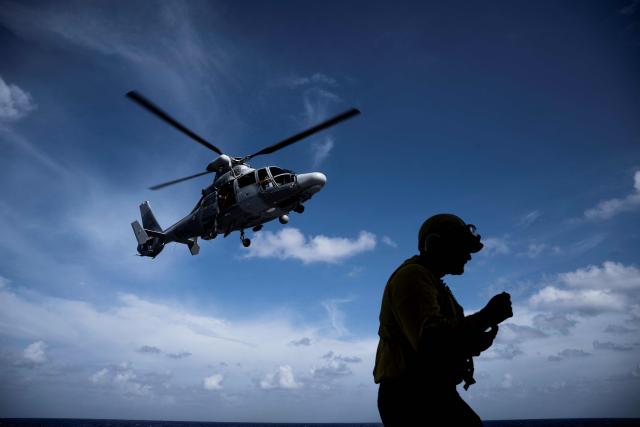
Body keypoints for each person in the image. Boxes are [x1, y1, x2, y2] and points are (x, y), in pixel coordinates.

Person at [373, 214, 513, 426]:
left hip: (427, 392)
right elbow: (431, 342)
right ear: (434, 244)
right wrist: (486, 317)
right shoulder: (412, 277)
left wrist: (476, 341)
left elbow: (444, 343)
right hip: (414, 396)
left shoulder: (428, 281)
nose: (468, 256)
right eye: (462, 247)